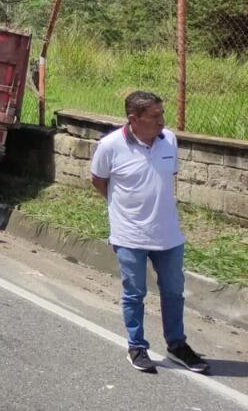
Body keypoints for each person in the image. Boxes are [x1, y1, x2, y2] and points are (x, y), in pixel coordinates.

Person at [90, 91, 211, 375]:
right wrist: (124, 210)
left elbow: (166, 178)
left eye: (162, 114)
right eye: (154, 116)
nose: (161, 121)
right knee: (135, 293)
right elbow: (99, 181)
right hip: (129, 235)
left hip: (168, 234)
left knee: (173, 292)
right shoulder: (109, 146)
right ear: (134, 119)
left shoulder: (169, 140)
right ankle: (137, 346)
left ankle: (177, 345)